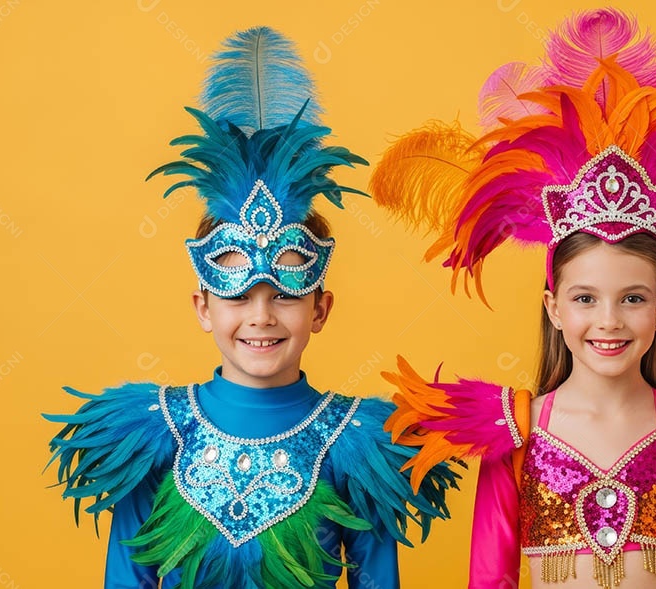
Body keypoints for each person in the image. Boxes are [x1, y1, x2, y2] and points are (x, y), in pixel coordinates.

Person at [370, 8, 656, 588]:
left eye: (634, 298)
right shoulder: (514, 430)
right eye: (586, 299)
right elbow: (489, 580)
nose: (610, 321)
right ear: (554, 308)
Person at [44, 26, 456, 589]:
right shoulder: (154, 435)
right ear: (203, 307)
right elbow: (127, 578)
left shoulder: (358, 444)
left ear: (320, 309)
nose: (261, 316)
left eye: (284, 295)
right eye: (237, 296)